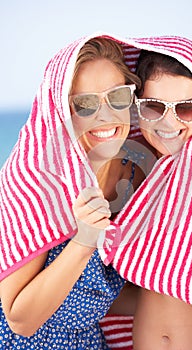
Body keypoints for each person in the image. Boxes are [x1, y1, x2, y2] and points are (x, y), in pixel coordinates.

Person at [0, 34, 144, 349]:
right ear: (61, 110)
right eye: (86, 103)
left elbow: (98, 293)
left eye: (117, 96)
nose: (106, 114)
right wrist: (84, 239)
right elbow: (20, 320)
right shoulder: (36, 180)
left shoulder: (135, 174)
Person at [99, 36, 192, 349]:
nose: (168, 122)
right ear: (136, 107)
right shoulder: (136, 180)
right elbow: (148, 283)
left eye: (186, 109)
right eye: (154, 107)